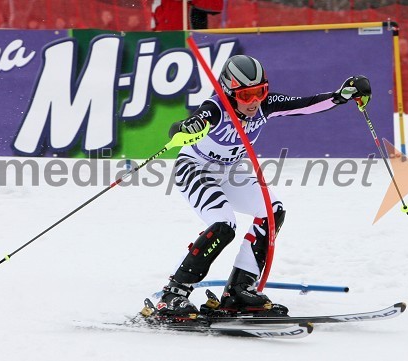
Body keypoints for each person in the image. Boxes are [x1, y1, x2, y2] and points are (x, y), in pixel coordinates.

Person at [156, 55, 371, 316]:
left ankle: (239, 290)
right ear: (229, 92)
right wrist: (189, 126)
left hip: (230, 172)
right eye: (246, 95)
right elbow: (180, 128)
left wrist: (341, 95)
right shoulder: (215, 108)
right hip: (195, 169)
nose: (254, 101)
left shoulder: (265, 105)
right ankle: (173, 293)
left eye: (260, 92)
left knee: (272, 212)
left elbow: (306, 105)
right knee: (224, 225)